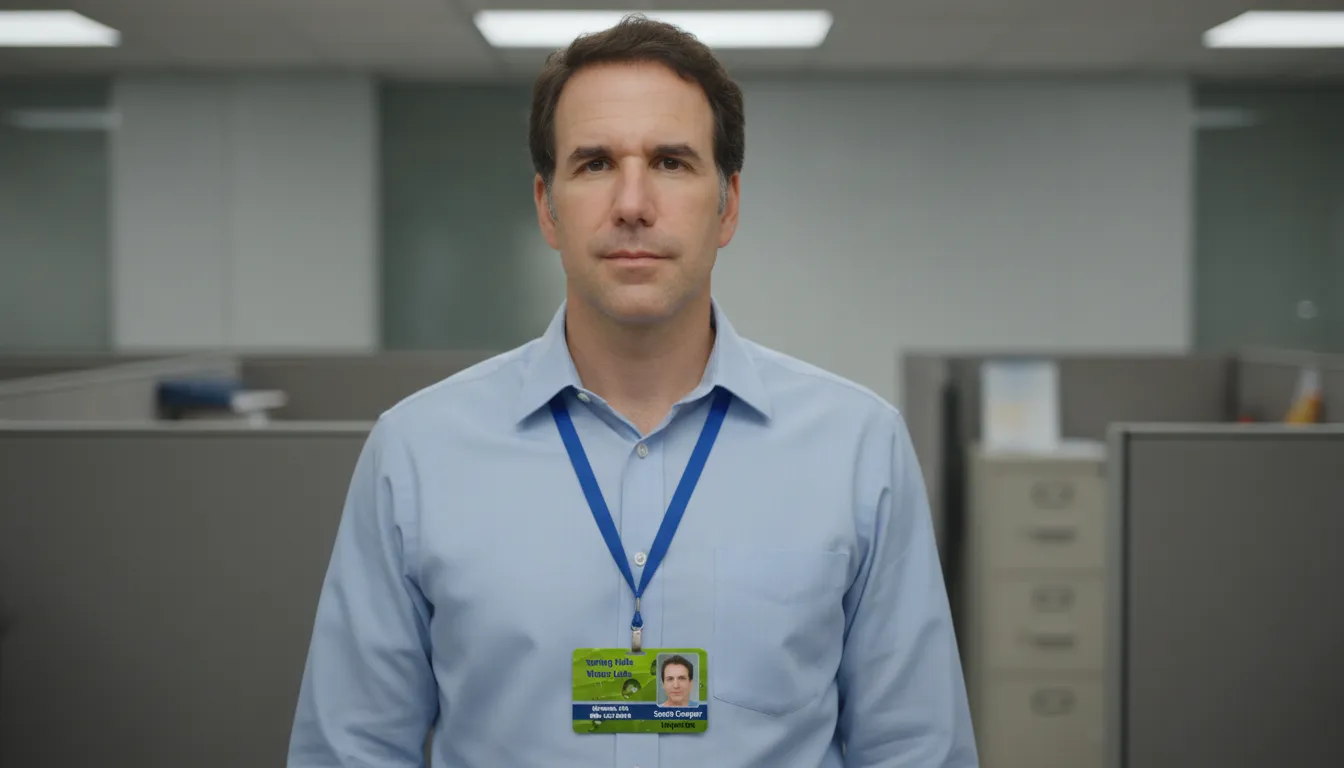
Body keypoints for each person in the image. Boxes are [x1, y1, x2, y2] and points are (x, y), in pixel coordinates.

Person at [287, 13, 978, 768]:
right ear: (548, 207)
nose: (632, 203)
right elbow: (352, 750)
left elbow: (916, 748)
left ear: (729, 204)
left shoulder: (856, 448)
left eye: (673, 162)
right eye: (594, 164)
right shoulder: (418, 452)